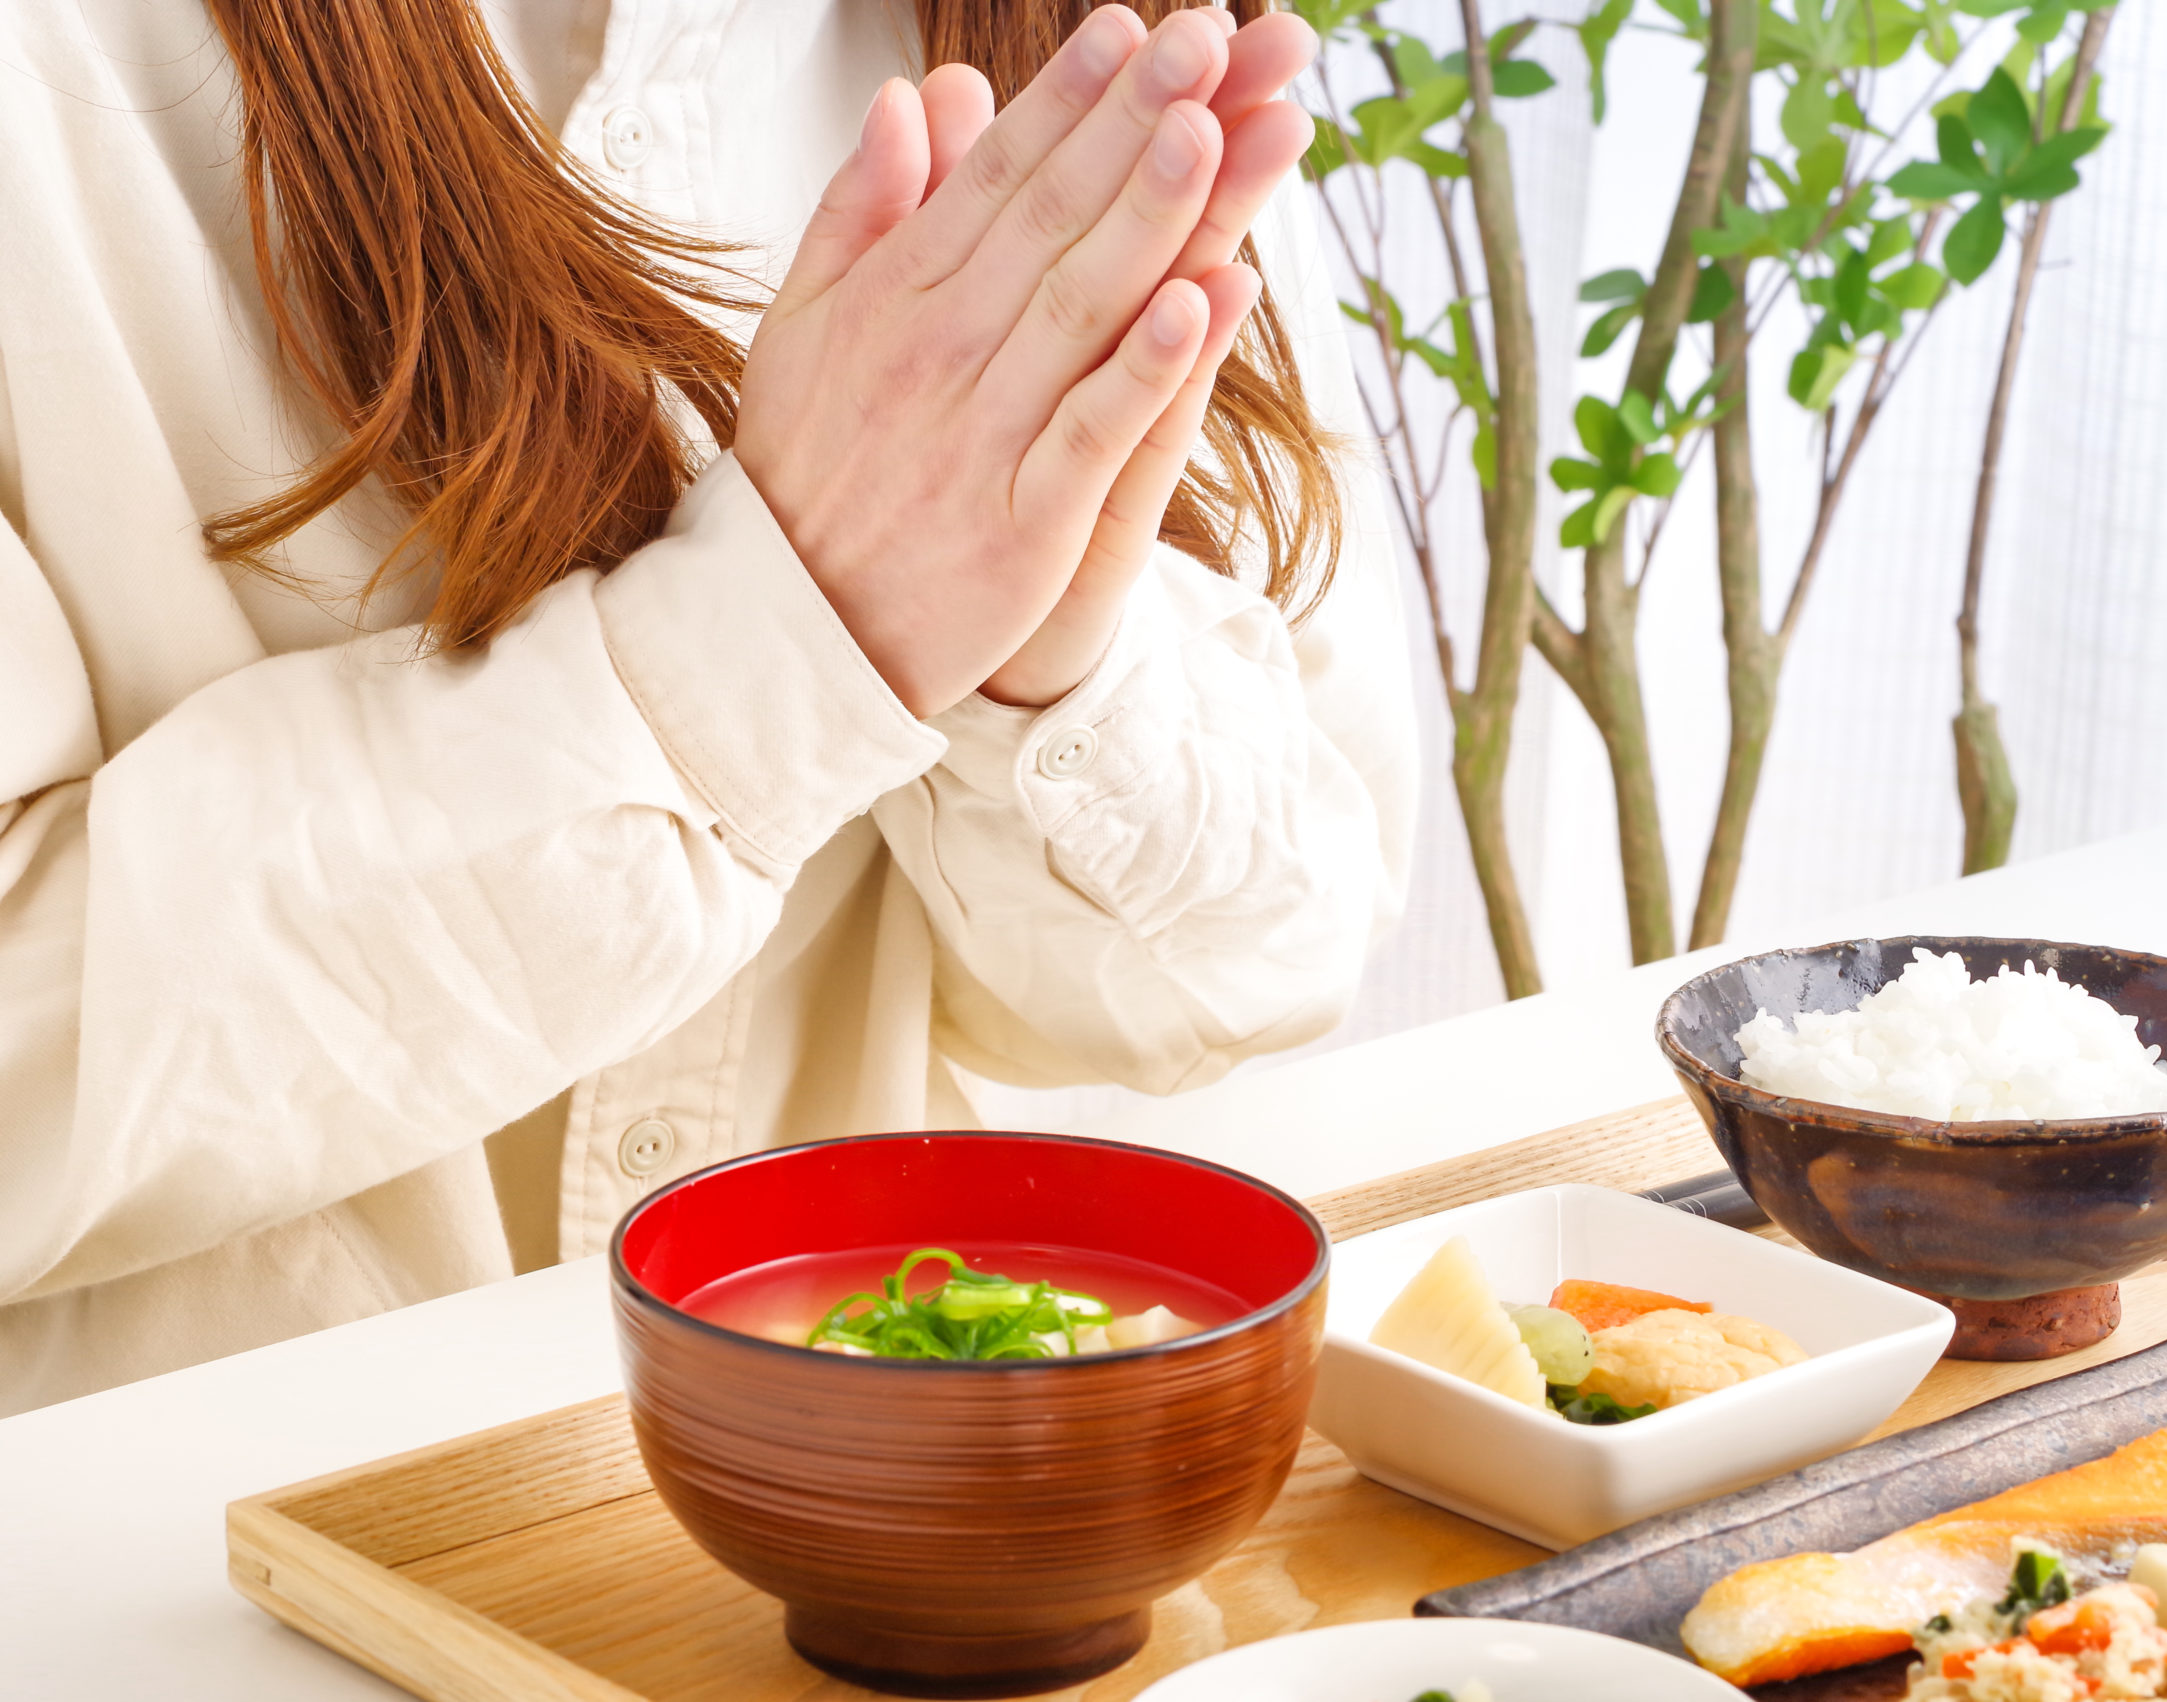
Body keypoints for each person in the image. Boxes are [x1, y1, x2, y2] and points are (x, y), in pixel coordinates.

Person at [0, 0, 1414, 1413]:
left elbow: (1278, 955)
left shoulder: (1101, 49)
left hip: (893, 1500)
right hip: (168, 1578)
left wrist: (1041, 661)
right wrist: (771, 652)